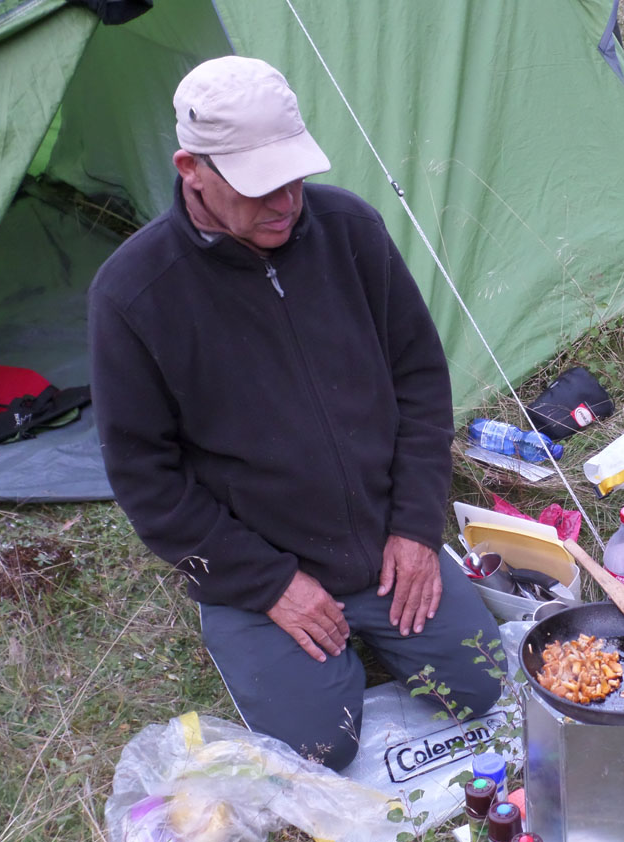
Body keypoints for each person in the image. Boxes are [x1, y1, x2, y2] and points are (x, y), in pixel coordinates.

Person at [88, 56, 501, 770]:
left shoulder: (350, 230)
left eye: (295, 174)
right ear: (193, 168)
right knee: (322, 742)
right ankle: (249, 626)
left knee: (481, 684)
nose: (286, 200)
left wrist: (412, 527)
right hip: (261, 563)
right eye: (259, 185)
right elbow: (145, 476)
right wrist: (267, 582)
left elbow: (421, 381)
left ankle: (379, 614)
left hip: (381, 541)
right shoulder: (133, 293)